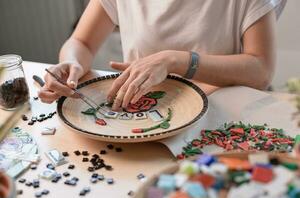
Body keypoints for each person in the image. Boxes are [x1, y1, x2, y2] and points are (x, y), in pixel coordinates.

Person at [39, 0, 286, 111]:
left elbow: (260, 70)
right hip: (140, 115)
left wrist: (175, 60)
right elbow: (81, 42)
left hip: (219, 115)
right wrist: (72, 62)